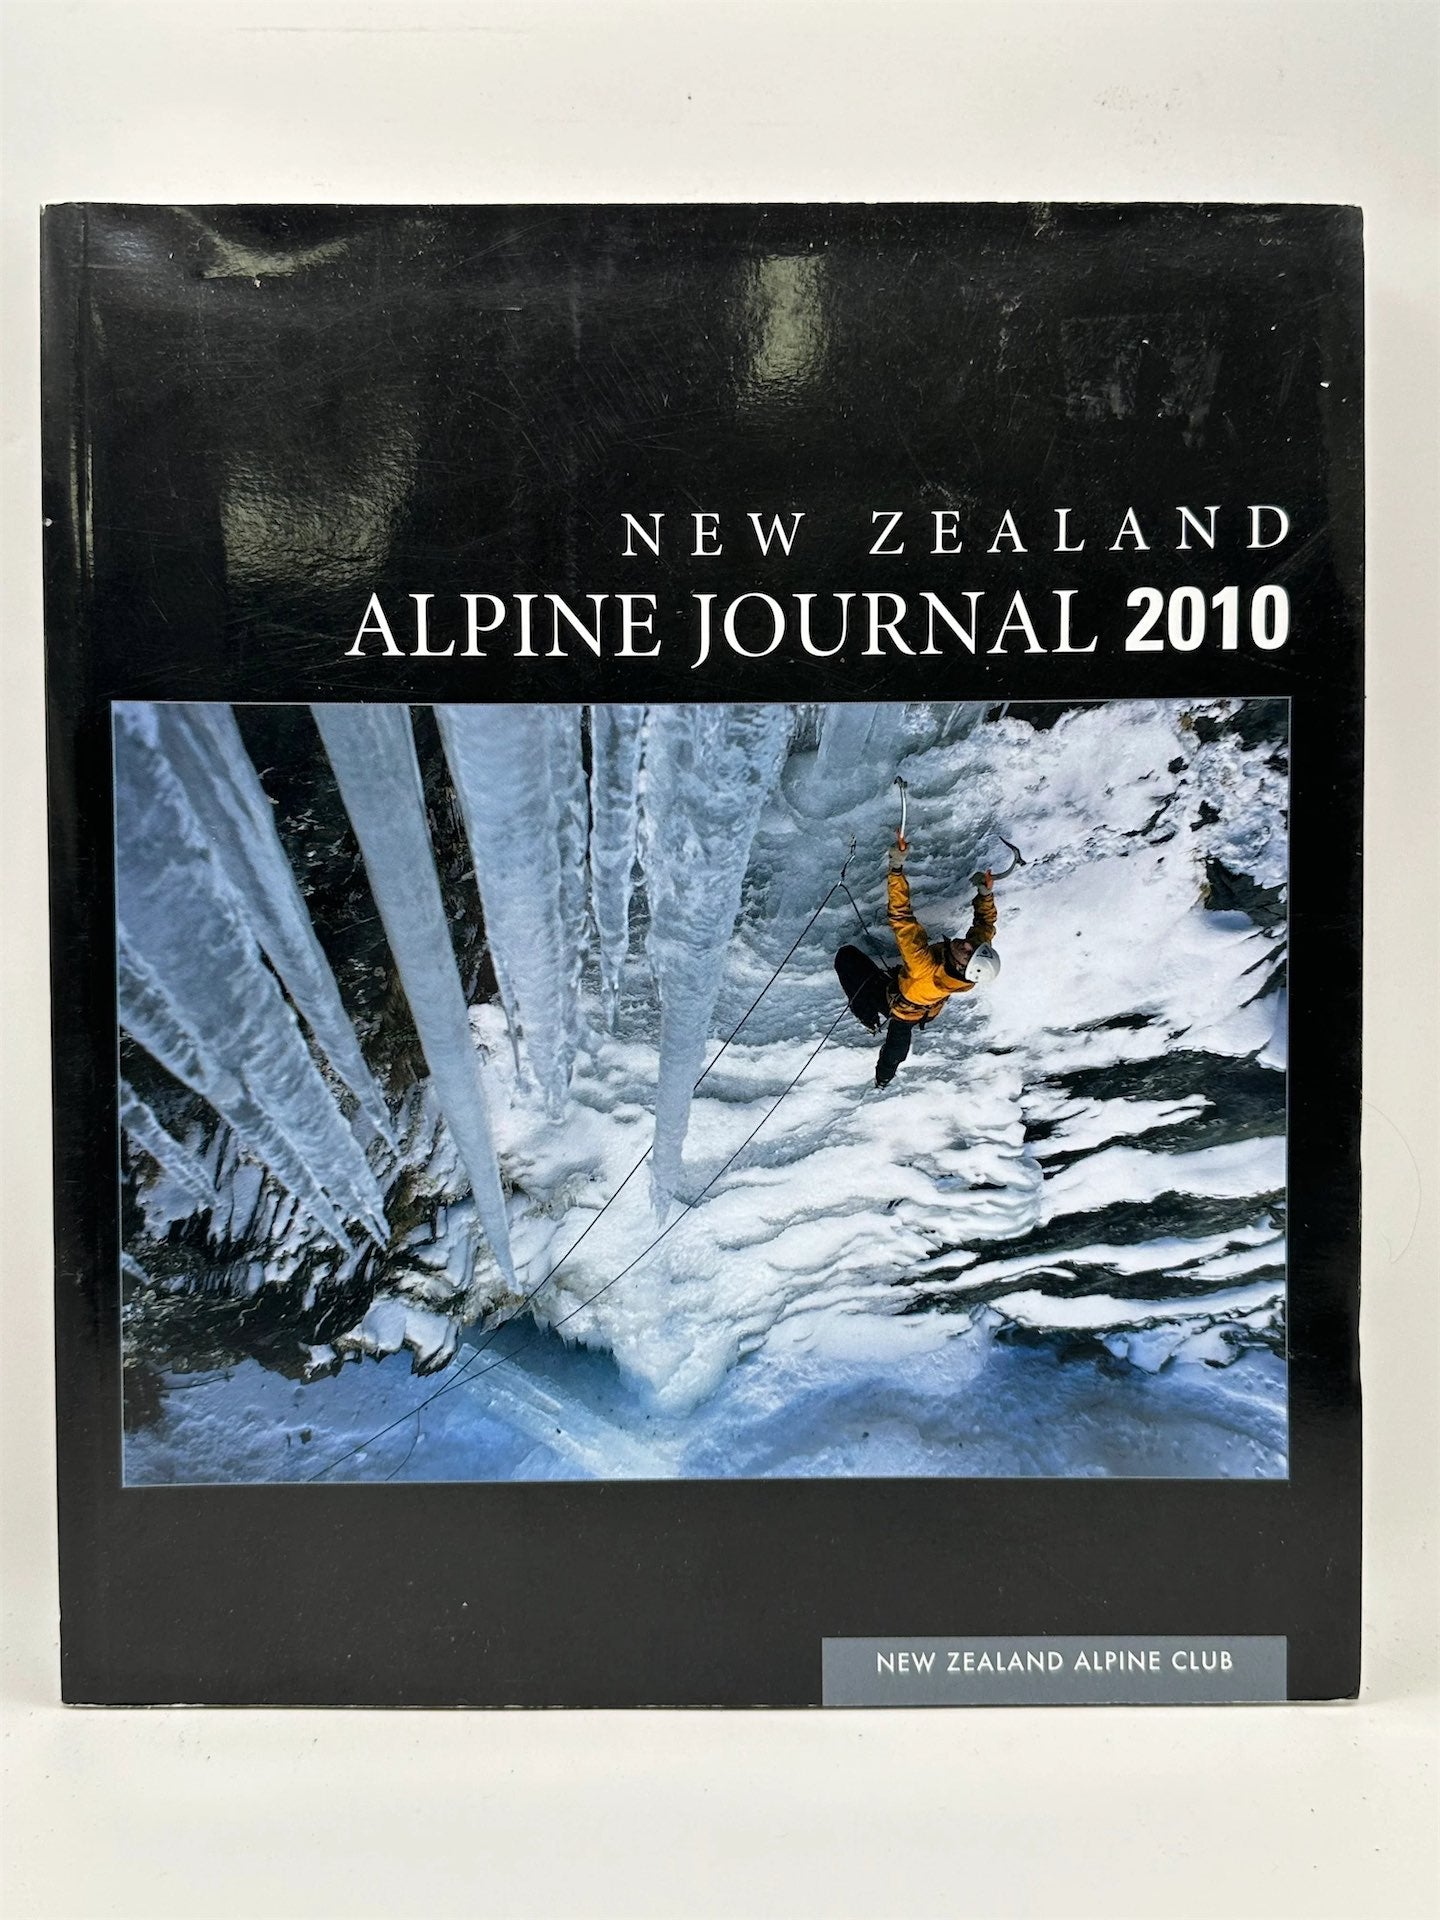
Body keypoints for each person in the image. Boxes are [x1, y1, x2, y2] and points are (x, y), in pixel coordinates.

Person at [834, 832, 1001, 1087]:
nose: (967, 945)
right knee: (899, 1040)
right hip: (927, 1005)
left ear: (960, 967)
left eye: (968, 953)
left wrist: (896, 867)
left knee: (846, 960)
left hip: (903, 1006)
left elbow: (901, 917)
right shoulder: (971, 965)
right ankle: (883, 1073)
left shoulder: (923, 966)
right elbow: (985, 926)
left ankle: (869, 1021)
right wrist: (985, 894)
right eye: (973, 947)